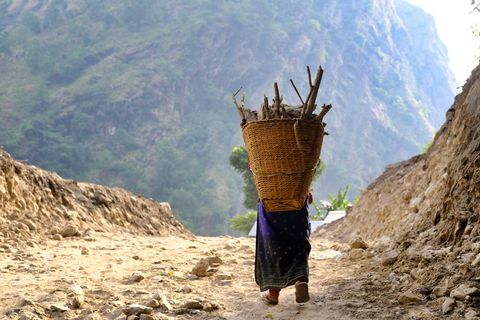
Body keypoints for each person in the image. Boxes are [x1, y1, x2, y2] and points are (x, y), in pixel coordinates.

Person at [255, 194, 312, 305]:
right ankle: (300, 280)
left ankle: (273, 294)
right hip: (297, 200)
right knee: (298, 242)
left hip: (270, 202)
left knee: (273, 246)